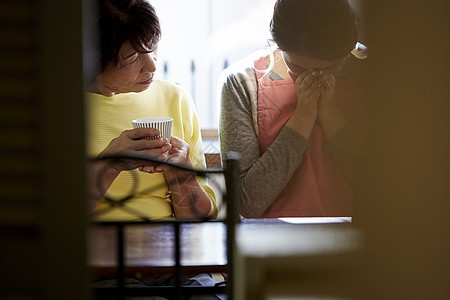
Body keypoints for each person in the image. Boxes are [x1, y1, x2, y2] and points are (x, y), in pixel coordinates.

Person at [219, 0, 367, 218]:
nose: (314, 76)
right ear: (276, 44)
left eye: (331, 67)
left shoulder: (376, 76)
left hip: (361, 241)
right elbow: (246, 202)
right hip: (273, 241)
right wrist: (303, 118)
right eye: (297, 68)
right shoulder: (242, 83)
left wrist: (330, 113)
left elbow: (387, 189)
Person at [86, 0, 217, 221]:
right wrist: (110, 164)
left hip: (168, 248)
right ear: (94, 59)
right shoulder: (61, 109)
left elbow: (198, 221)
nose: (153, 65)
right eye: (133, 58)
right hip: (95, 251)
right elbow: (60, 220)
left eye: (151, 46)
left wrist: (180, 172)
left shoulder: (175, 99)